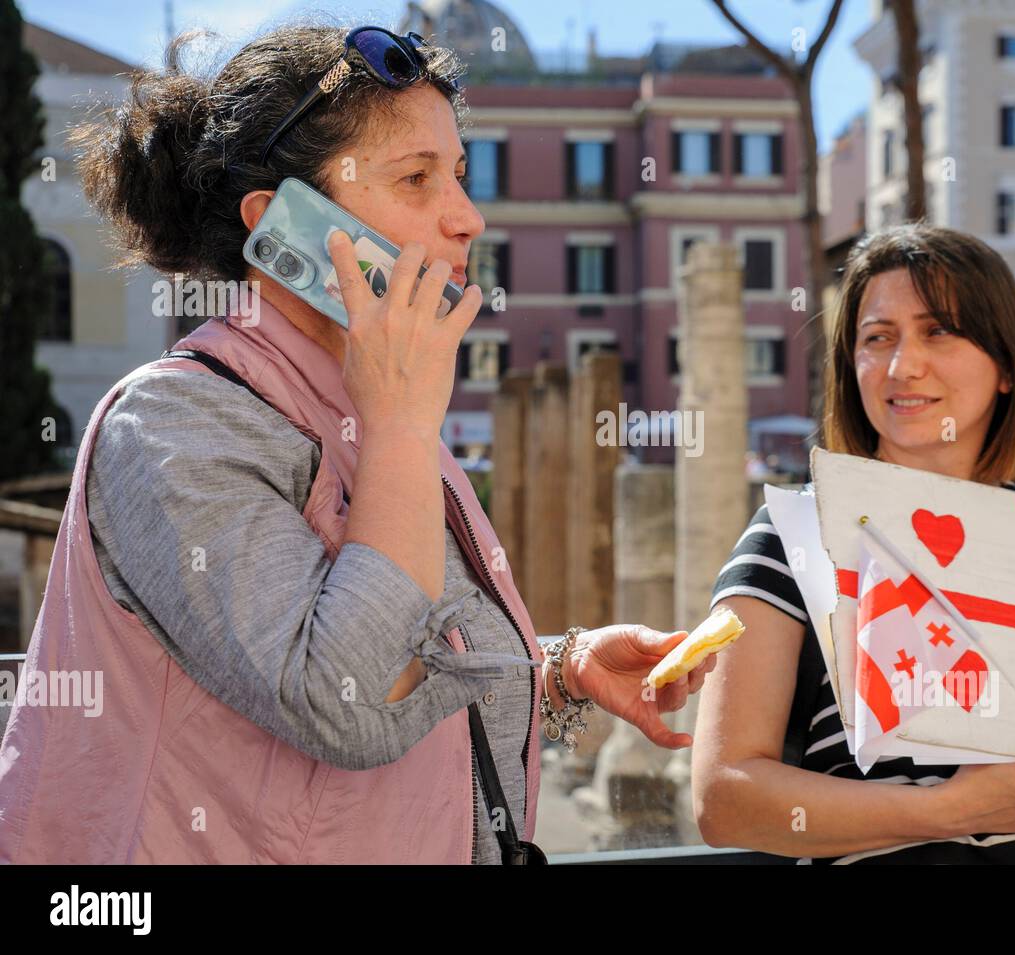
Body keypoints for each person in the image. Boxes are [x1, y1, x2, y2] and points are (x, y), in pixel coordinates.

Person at [0, 23, 714, 865]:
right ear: (282, 227)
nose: (467, 217)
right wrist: (406, 424)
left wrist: (557, 665)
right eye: (414, 179)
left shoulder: (364, 403)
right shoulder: (169, 424)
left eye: (457, 174)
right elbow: (344, 698)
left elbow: (405, 641)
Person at [692, 224, 1015, 864]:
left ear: (1007, 366)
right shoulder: (793, 536)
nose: (902, 365)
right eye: (877, 338)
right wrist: (951, 813)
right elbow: (722, 799)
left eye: (938, 330)